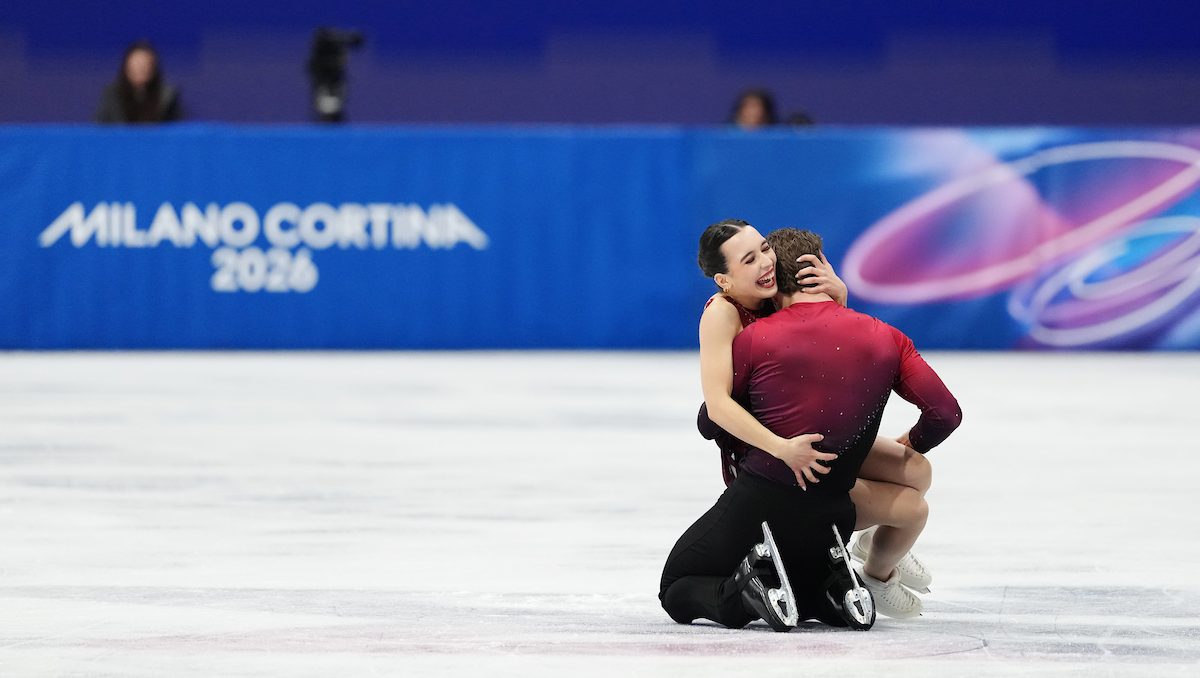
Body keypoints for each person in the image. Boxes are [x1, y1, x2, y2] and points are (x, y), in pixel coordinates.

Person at [660, 227, 962, 630]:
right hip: (773, 449)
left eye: (764, 250)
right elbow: (714, 411)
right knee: (906, 492)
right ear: (724, 280)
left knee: (916, 469)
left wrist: (839, 303)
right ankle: (868, 565)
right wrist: (781, 445)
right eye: (749, 260)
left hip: (794, 464)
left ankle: (872, 551)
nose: (765, 263)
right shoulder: (724, 313)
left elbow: (825, 345)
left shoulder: (766, 319)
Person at [95, 40, 182, 124]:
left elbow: (178, 128)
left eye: (145, 65)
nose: (140, 69)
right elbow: (99, 127)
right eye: (136, 64)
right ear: (126, 67)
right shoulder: (111, 95)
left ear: (154, 68)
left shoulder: (167, 96)